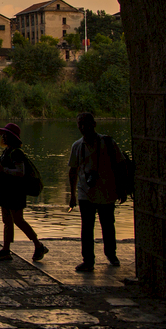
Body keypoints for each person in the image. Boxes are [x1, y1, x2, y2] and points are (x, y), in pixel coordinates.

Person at [68, 112, 125, 271]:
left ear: (94, 124)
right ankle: (88, 260)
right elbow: (73, 171)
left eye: (85, 123)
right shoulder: (77, 146)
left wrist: (121, 189)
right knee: (87, 228)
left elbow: (120, 167)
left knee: (107, 225)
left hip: (107, 191)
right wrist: (72, 195)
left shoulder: (108, 143)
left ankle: (111, 254)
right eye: (80, 124)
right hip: (85, 192)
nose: (83, 127)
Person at [0, 123, 48, 262]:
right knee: (7, 221)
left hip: (15, 192)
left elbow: (20, 173)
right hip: (6, 191)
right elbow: (6, 169)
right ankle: (6, 250)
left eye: (6, 134)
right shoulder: (7, 151)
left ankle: (38, 245)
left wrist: (3, 170)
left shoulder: (16, 153)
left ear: (12, 137)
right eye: (3, 134)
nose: (3, 137)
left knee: (18, 220)